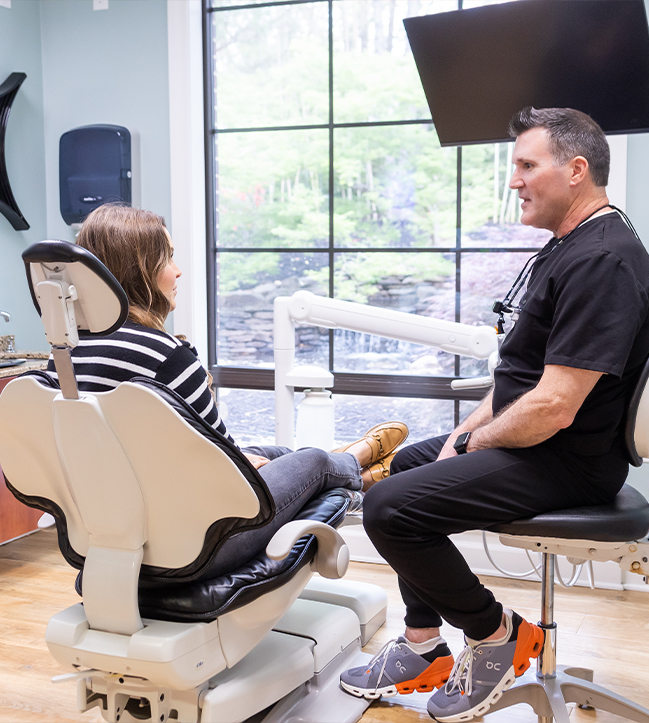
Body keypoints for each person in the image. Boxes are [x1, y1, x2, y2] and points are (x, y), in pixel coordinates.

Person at [340, 107, 649, 722]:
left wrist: (467, 449)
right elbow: (519, 375)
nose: (513, 180)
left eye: (526, 165)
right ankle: (422, 645)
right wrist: (466, 432)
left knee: (390, 506)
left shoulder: (603, 260)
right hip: (542, 441)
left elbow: (555, 404)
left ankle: (496, 636)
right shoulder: (568, 247)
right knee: (406, 464)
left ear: (575, 170)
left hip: (568, 459)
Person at [45, 203, 408, 575]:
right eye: (168, 258)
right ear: (140, 271)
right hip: (201, 542)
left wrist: (240, 459)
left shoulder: (60, 361)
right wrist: (238, 464)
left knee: (274, 451)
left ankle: (351, 468)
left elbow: (131, 456)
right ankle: (359, 463)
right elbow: (221, 471)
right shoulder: (164, 356)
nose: (178, 270)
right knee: (310, 461)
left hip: (106, 536)